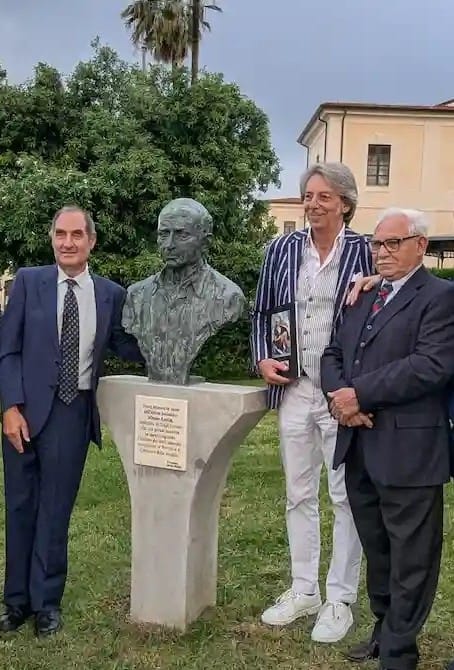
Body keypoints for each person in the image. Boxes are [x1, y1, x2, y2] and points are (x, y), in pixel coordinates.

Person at [0, 206, 143, 637]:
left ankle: (46, 603)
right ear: (52, 238)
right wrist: (9, 407)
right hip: (23, 412)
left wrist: (164, 339)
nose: (68, 242)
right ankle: (16, 602)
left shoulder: (111, 294)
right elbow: (7, 349)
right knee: (20, 506)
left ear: (91, 241)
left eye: (77, 234)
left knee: (55, 510)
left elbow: (126, 344)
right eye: (60, 234)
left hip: (71, 411)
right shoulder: (29, 282)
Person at [321, 208, 454, 670]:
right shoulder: (363, 295)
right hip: (360, 445)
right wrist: (340, 398)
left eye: (393, 243)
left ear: (421, 245)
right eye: (377, 244)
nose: (382, 252)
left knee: (412, 559)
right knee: (377, 550)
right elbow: (334, 352)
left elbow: (430, 365)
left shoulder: (441, 297)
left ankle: (399, 652)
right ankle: (384, 629)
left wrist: (359, 394)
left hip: (410, 453)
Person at [251, 162, 372, 643]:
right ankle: (304, 590)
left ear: (345, 203)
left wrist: (374, 285)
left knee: (344, 496)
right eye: (309, 196)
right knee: (298, 494)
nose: (313, 204)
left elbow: (387, 307)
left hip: (341, 393)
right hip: (295, 388)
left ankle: (339, 598)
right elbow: (262, 311)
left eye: (325, 196)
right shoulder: (282, 249)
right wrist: (262, 357)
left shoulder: (366, 251)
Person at [123, 198, 245, 385]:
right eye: (164, 234)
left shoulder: (228, 297)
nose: (169, 244)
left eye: (182, 235)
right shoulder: (136, 295)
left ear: (205, 242)